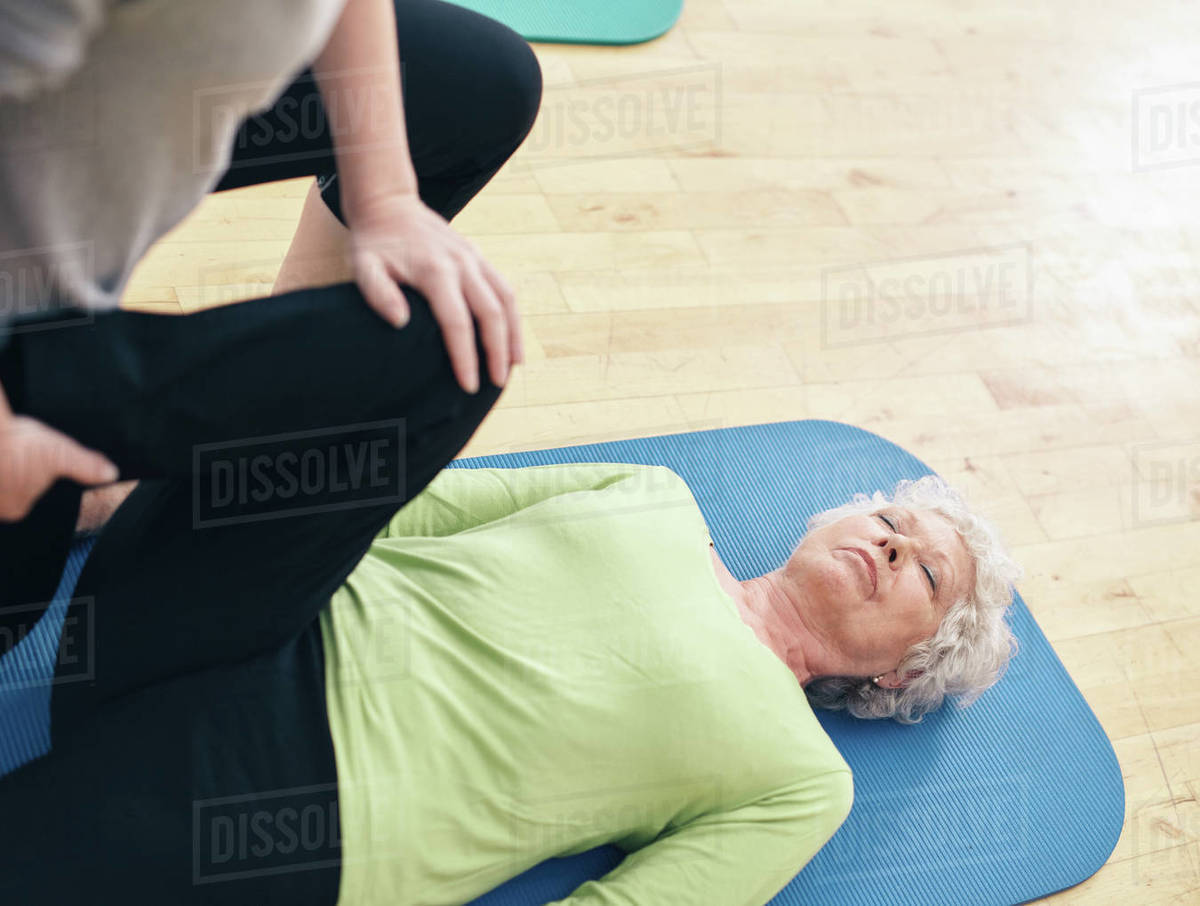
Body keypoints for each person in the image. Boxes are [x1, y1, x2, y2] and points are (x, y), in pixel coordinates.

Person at [0, 448, 1021, 904]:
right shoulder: (654, 493)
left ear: (899, 674)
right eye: (888, 522)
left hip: (310, 792)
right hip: (254, 614)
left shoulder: (804, 778)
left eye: (922, 571)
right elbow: (416, 502)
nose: (888, 545)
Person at [0, 0, 543, 653]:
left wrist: (385, 198)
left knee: (477, 87)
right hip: (24, 291)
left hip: (125, 110)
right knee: (16, 583)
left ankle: (227, 453)